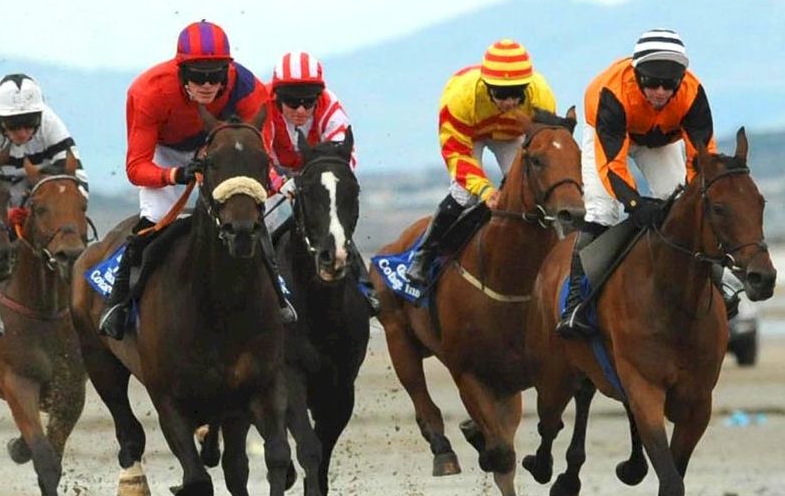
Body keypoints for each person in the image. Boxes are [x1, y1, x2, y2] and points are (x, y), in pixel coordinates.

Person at [99, 20, 296, 340]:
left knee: (258, 217)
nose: (207, 85)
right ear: (180, 72)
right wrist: (175, 175)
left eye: (215, 75)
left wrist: (272, 183)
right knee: (155, 218)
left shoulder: (251, 91)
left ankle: (279, 293)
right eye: (197, 75)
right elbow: (136, 167)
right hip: (166, 151)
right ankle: (118, 302)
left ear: (228, 71)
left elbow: (260, 154)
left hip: (222, 148)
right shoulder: (147, 91)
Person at [556, 28, 733, 338]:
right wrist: (635, 204)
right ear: (637, 74)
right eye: (652, 82)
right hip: (610, 136)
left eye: (669, 84)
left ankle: (720, 282)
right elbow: (612, 166)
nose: (661, 92)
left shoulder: (693, 94)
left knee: (683, 206)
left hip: (659, 140)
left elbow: (703, 158)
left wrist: (697, 196)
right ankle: (575, 301)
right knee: (602, 211)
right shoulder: (611, 93)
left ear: (681, 80)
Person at [405, 39, 556, 286]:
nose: (509, 102)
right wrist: (485, 190)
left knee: (529, 185)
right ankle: (424, 254)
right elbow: (458, 155)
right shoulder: (459, 98)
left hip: (510, 135)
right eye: (501, 95)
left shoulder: (542, 97)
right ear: (487, 87)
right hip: (470, 135)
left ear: (527, 87)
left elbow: (542, 144)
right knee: (465, 195)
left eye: (516, 94)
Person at [267, 50, 379, 315]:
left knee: (333, 218)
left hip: (316, 173)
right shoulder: (262, 107)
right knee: (264, 220)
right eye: (291, 102)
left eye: (308, 102)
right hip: (273, 175)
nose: (301, 110)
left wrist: (315, 184)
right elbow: (259, 156)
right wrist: (278, 182)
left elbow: (343, 160)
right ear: (276, 97)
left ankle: (365, 287)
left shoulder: (331, 107)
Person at [0, 73, 88, 355]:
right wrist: (2, 219)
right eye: (14, 125)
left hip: (36, 196)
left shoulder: (52, 125)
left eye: (30, 123)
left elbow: (78, 180)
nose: (23, 132)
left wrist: (66, 225)